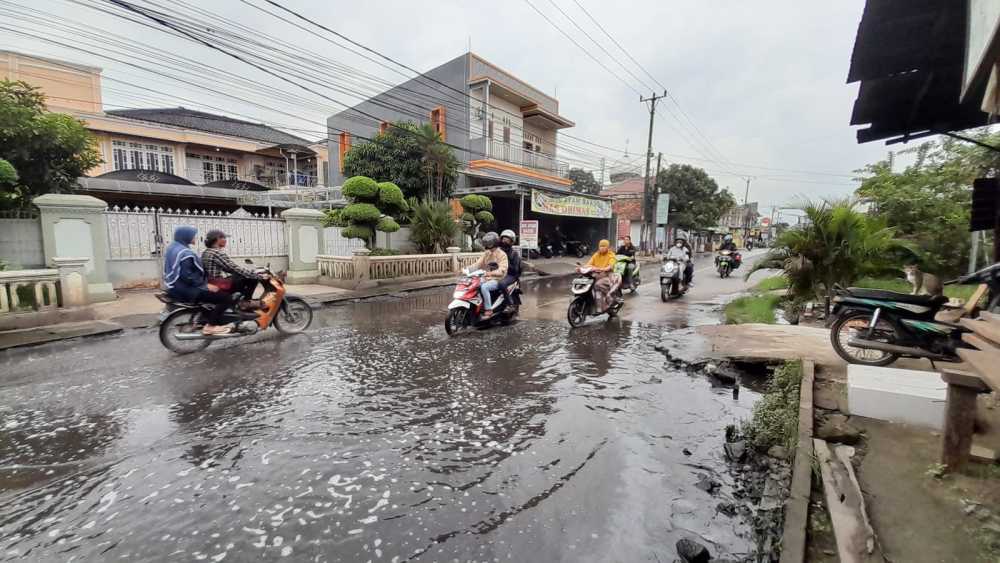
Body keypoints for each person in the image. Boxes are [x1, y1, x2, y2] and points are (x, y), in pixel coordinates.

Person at [163, 226, 236, 335]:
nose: (195, 238)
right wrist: (205, 285)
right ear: (185, 236)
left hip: (175, 287)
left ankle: (209, 317)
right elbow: (187, 275)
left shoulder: (174, 248)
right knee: (226, 298)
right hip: (187, 290)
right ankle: (211, 326)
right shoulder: (184, 253)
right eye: (193, 235)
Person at [202, 229, 265, 307]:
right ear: (217, 239)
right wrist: (256, 275)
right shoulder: (216, 252)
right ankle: (245, 302)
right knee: (252, 278)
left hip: (212, 281)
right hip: (218, 283)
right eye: (224, 238)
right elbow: (234, 268)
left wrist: (245, 271)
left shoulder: (207, 251)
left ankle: (239, 299)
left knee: (241, 276)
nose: (225, 240)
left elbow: (228, 268)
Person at [472, 231, 509, 319]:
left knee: (484, 287)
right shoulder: (486, 253)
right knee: (473, 284)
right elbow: (477, 264)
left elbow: (502, 270)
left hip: (498, 279)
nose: (488, 246)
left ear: (494, 243)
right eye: (487, 244)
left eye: (489, 244)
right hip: (486, 277)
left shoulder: (502, 255)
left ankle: (488, 309)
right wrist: (466, 269)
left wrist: (490, 273)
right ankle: (477, 305)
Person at [580, 239, 621, 311]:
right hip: (597, 274)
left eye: (604, 246)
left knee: (597, 285)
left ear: (607, 247)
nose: (601, 247)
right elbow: (589, 264)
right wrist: (581, 268)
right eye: (600, 246)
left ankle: (610, 297)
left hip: (608, 275)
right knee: (585, 283)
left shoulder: (611, 255)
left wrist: (603, 269)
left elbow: (610, 266)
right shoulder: (596, 254)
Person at [498, 229, 521, 296]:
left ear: (511, 241)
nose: (504, 241)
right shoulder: (498, 251)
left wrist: (505, 263)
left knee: (501, 283)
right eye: (503, 239)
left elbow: (515, 270)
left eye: (507, 240)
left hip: (510, 275)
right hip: (499, 273)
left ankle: (509, 301)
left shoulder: (514, 253)